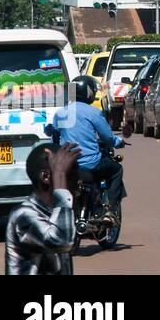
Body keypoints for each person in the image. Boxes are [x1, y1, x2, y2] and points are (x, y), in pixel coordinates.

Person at [51, 77, 126, 219]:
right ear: (88, 92)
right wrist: (119, 141)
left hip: (67, 165)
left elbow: (54, 138)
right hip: (90, 163)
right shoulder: (93, 112)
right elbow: (108, 138)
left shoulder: (60, 113)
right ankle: (110, 210)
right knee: (116, 170)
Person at [5, 141, 81, 275]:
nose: (78, 182)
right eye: (71, 176)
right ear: (46, 177)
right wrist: (59, 176)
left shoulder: (54, 213)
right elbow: (62, 241)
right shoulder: (23, 215)